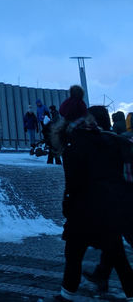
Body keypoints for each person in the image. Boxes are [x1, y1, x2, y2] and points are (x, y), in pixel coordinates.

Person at [52, 105, 133, 301]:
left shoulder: (76, 144)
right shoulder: (114, 141)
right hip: (110, 208)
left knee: (73, 252)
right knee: (117, 255)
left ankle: (67, 294)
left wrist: (68, 206)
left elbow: (73, 182)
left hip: (85, 210)